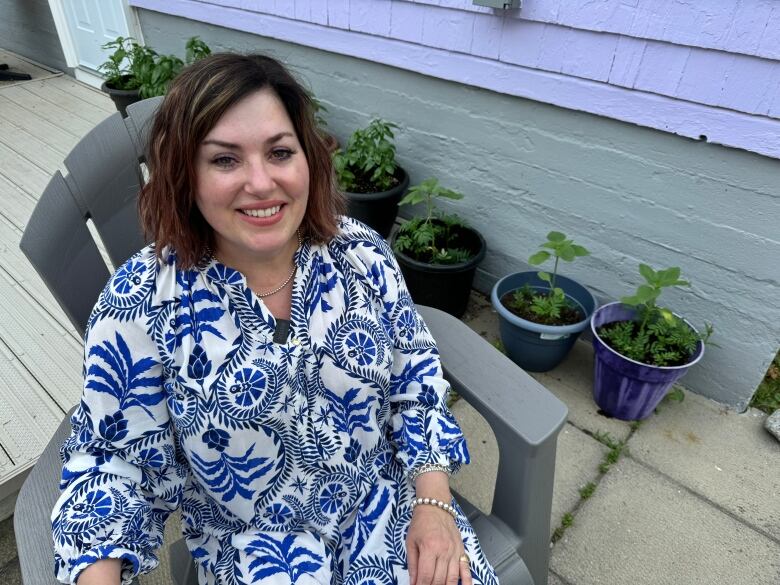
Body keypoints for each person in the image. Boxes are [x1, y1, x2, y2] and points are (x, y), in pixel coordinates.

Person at [51, 53, 498, 585]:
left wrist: (434, 506)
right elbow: (111, 465)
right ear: (185, 174)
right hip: (258, 554)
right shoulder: (141, 304)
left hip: (390, 517)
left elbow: (415, 379)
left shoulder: (360, 256)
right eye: (225, 160)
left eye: (279, 152)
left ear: (307, 160)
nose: (261, 183)